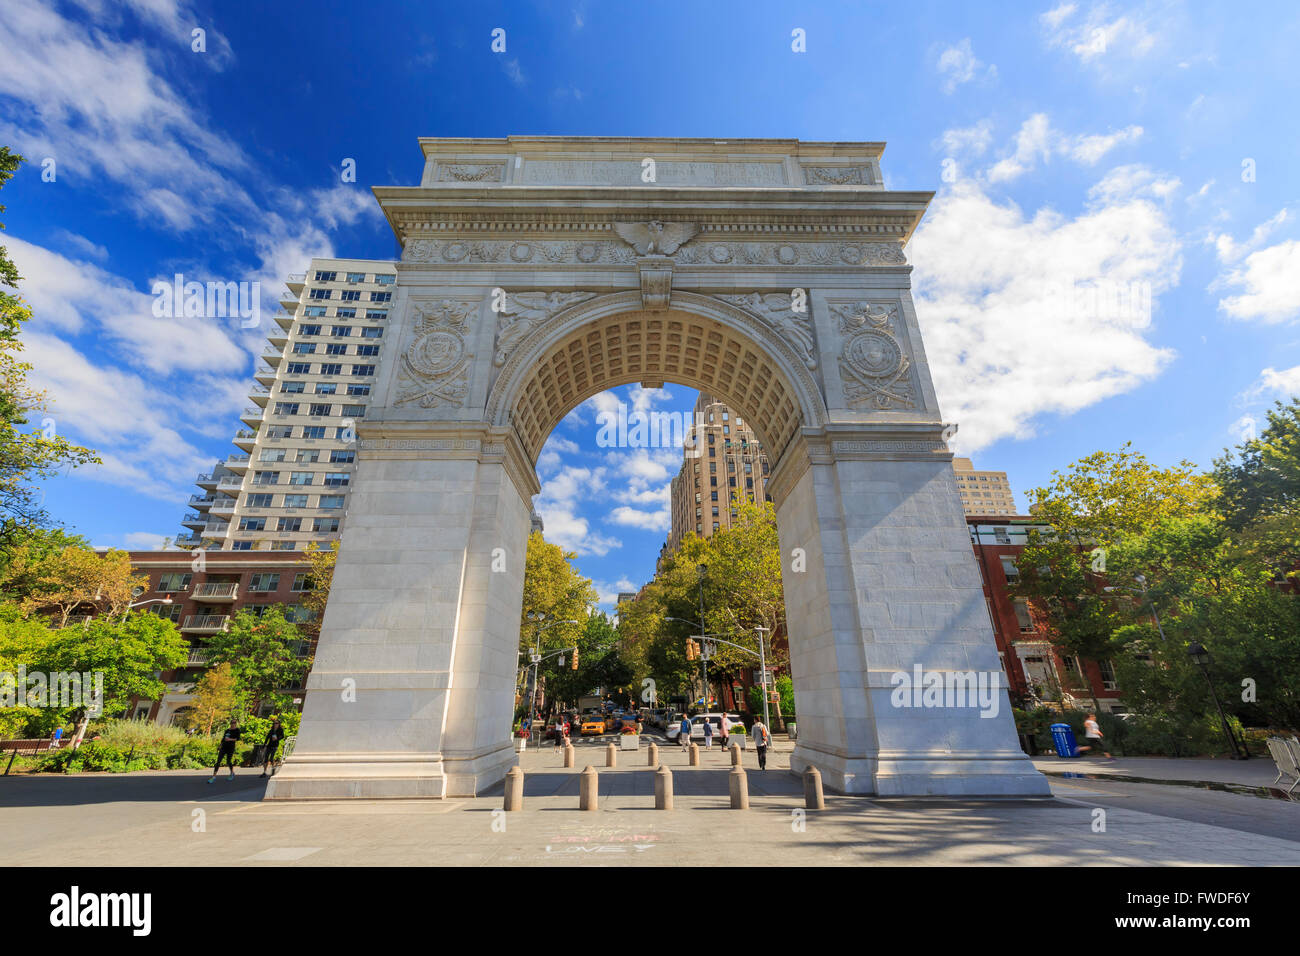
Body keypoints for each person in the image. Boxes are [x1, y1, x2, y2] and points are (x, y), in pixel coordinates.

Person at [209, 718, 242, 783]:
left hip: (231, 747)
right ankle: (213, 777)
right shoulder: (227, 730)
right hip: (224, 747)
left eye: (234, 723)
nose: (233, 724)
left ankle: (232, 773)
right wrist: (220, 746)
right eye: (232, 723)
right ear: (230, 723)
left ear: (236, 724)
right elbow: (223, 738)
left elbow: (237, 739)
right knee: (218, 761)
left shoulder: (237, 730)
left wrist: (229, 739)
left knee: (228, 761)